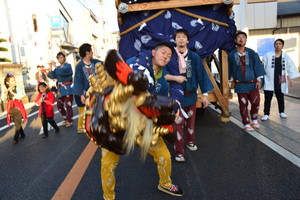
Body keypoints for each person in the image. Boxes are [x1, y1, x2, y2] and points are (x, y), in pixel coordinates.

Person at [97, 42, 184, 200]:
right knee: (108, 163)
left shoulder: (166, 71)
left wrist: (175, 103)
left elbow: (177, 86)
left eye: (169, 55)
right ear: (153, 52)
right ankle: (108, 196)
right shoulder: (139, 65)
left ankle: (165, 182)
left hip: (146, 122)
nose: (166, 56)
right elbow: (137, 87)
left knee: (164, 155)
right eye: (163, 52)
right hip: (119, 119)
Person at [165, 29, 214, 162]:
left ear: (187, 41)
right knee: (178, 125)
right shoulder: (169, 57)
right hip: (176, 97)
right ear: (174, 40)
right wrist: (176, 78)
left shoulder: (194, 57)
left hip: (191, 95)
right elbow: (163, 74)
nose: (181, 39)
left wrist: (204, 95)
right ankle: (179, 152)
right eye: (178, 37)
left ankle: (190, 142)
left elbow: (201, 75)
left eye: (183, 37)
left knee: (191, 123)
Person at [228, 31, 265, 131]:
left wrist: (259, 80)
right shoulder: (231, 54)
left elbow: (257, 66)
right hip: (240, 84)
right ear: (235, 40)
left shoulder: (251, 53)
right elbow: (229, 69)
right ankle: (246, 122)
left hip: (252, 83)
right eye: (239, 37)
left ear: (246, 40)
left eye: (243, 37)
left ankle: (254, 118)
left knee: (256, 102)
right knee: (243, 104)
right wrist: (228, 82)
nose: (241, 39)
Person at [261, 39, 300, 120]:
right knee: (268, 98)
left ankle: (281, 112)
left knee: (280, 97)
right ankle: (266, 114)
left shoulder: (285, 56)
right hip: (269, 79)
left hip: (280, 79)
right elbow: (262, 66)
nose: (277, 45)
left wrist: (291, 79)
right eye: (276, 44)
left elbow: (290, 67)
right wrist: (260, 78)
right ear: (274, 45)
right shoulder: (268, 55)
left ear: (282, 46)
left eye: (279, 44)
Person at [73, 43, 102, 133]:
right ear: (87, 52)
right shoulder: (79, 66)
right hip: (85, 92)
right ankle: (81, 127)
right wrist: (81, 95)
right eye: (91, 51)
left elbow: (105, 65)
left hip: (96, 91)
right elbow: (78, 81)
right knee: (84, 110)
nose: (92, 52)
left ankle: (96, 125)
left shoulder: (96, 62)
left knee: (97, 108)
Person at [48, 52, 74, 127]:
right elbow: (52, 76)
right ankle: (65, 119)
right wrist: (50, 67)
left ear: (64, 58)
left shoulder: (68, 66)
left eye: (61, 57)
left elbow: (63, 71)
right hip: (60, 89)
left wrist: (55, 65)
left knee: (68, 105)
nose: (60, 59)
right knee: (59, 106)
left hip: (68, 88)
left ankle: (69, 120)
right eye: (58, 58)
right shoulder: (57, 68)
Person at [1, 73, 27, 144]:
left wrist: (13, 93)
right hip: (11, 109)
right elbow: (3, 99)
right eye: (12, 81)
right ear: (7, 82)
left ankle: (15, 139)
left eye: (14, 80)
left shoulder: (17, 88)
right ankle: (22, 134)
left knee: (17, 124)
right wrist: (5, 94)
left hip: (18, 108)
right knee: (16, 122)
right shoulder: (6, 89)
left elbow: (22, 95)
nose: (14, 82)